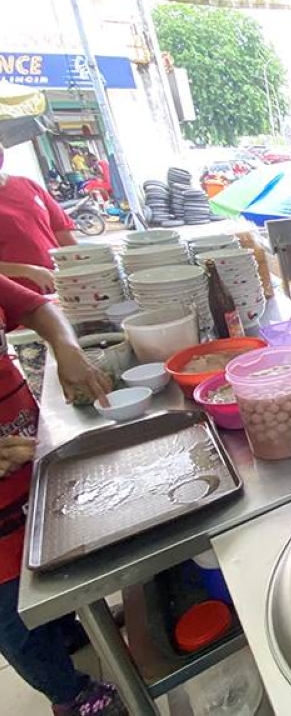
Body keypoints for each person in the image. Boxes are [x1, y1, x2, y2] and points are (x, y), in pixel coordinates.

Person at [0, 274, 121, 716]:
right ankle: (69, 695)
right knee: (15, 621)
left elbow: (36, 307)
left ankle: (68, 630)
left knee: (47, 572)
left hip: (29, 477)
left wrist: (65, 346)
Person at [0, 142, 78, 294]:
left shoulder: (28, 185)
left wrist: (83, 266)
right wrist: (29, 271)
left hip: (61, 287)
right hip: (18, 298)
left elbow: (61, 232)